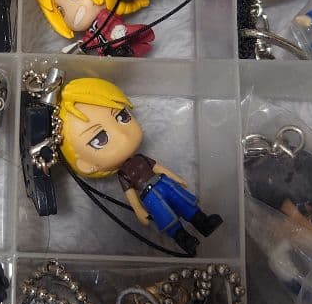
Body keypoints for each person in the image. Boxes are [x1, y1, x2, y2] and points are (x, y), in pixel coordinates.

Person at [57, 78, 222, 255]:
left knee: (184, 202)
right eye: (99, 139)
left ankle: (203, 223)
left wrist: (176, 178)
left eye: (122, 117)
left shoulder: (142, 159)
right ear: (86, 165)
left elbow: (159, 168)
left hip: (164, 183)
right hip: (149, 196)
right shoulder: (124, 175)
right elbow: (131, 195)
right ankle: (184, 240)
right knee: (166, 218)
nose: (123, 136)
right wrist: (138, 209)